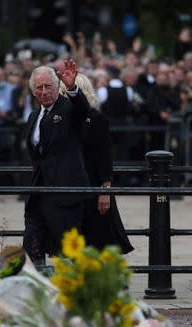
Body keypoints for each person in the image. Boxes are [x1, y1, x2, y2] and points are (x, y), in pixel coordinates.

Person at [23, 60, 92, 264]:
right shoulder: (33, 116)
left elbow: (82, 109)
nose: (44, 91)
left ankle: (70, 291)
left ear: (56, 86)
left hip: (65, 194)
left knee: (67, 254)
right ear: (33, 91)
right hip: (38, 194)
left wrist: (72, 88)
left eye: (48, 86)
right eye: (39, 87)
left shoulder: (68, 108)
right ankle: (36, 288)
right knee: (32, 245)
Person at [60, 74, 134, 254]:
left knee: (100, 234)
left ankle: (105, 274)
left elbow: (104, 157)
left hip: (94, 183)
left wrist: (105, 190)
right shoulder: (61, 119)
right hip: (70, 183)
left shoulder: (96, 119)